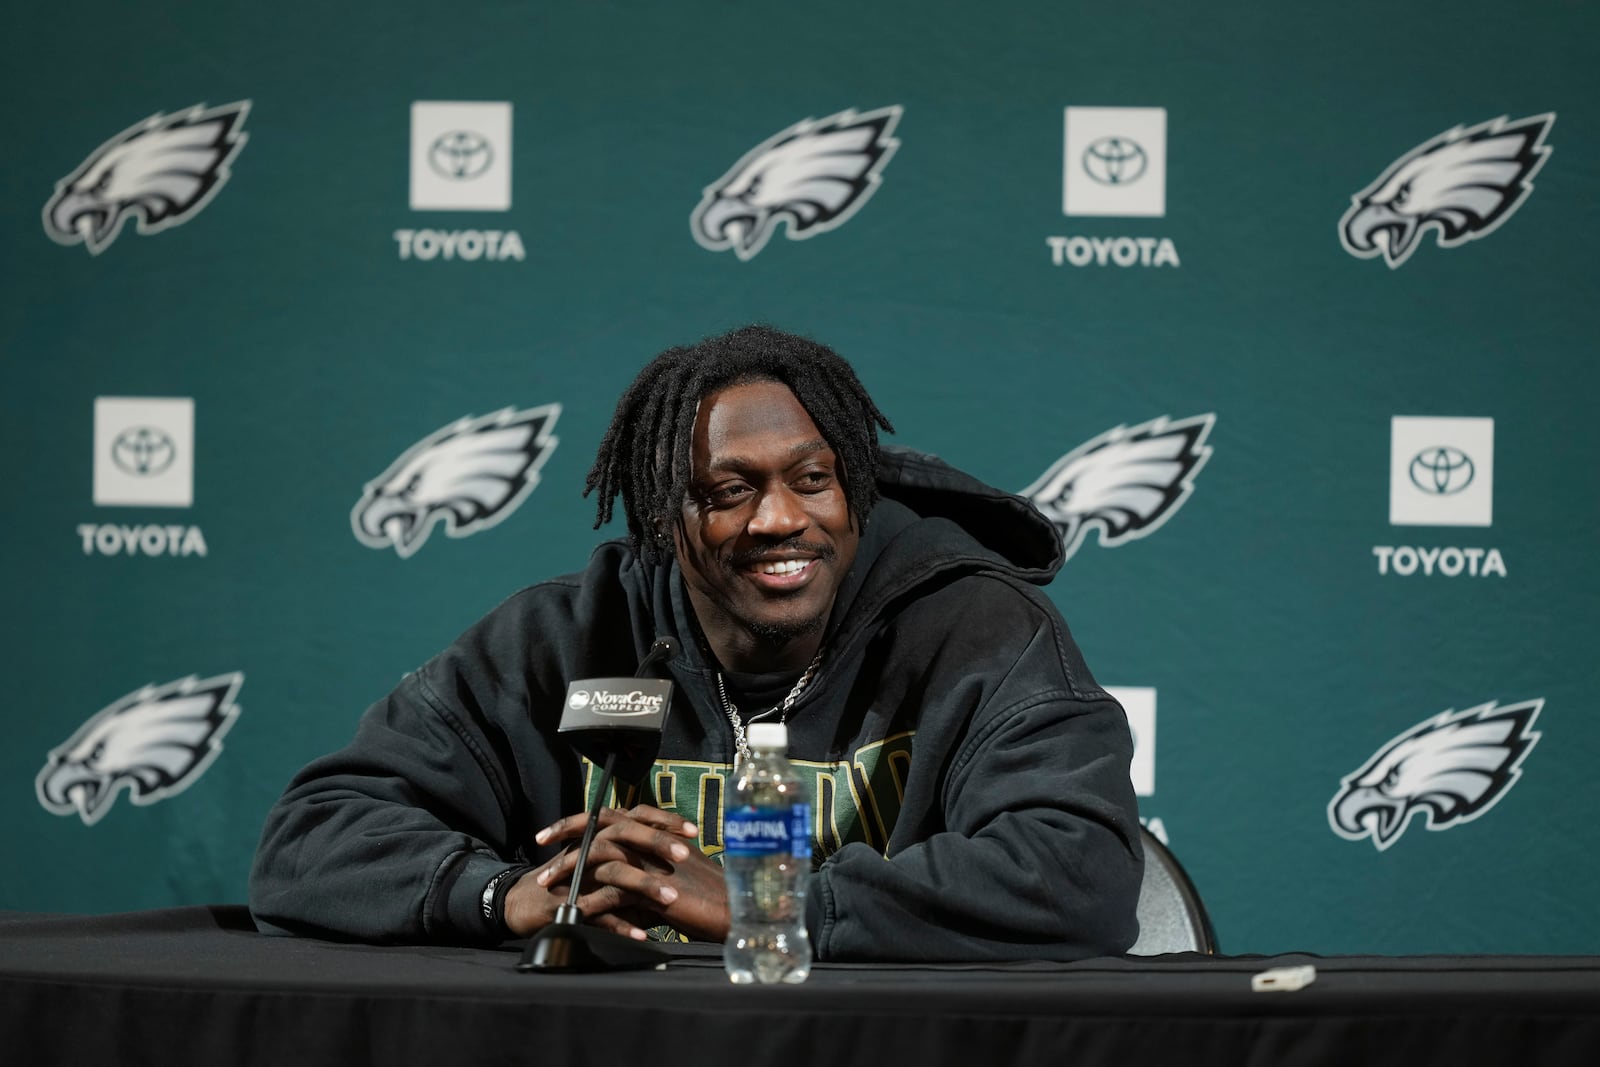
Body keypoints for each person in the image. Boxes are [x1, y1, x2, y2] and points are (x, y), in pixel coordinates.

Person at [249, 324, 1143, 961]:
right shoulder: (566, 636)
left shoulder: (979, 631)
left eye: (813, 479)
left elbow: (1082, 870)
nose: (781, 519)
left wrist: (776, 905)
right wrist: (503, 894)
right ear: (663, 516)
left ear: (855, 493)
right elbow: (310, 838)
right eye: (728, 490)